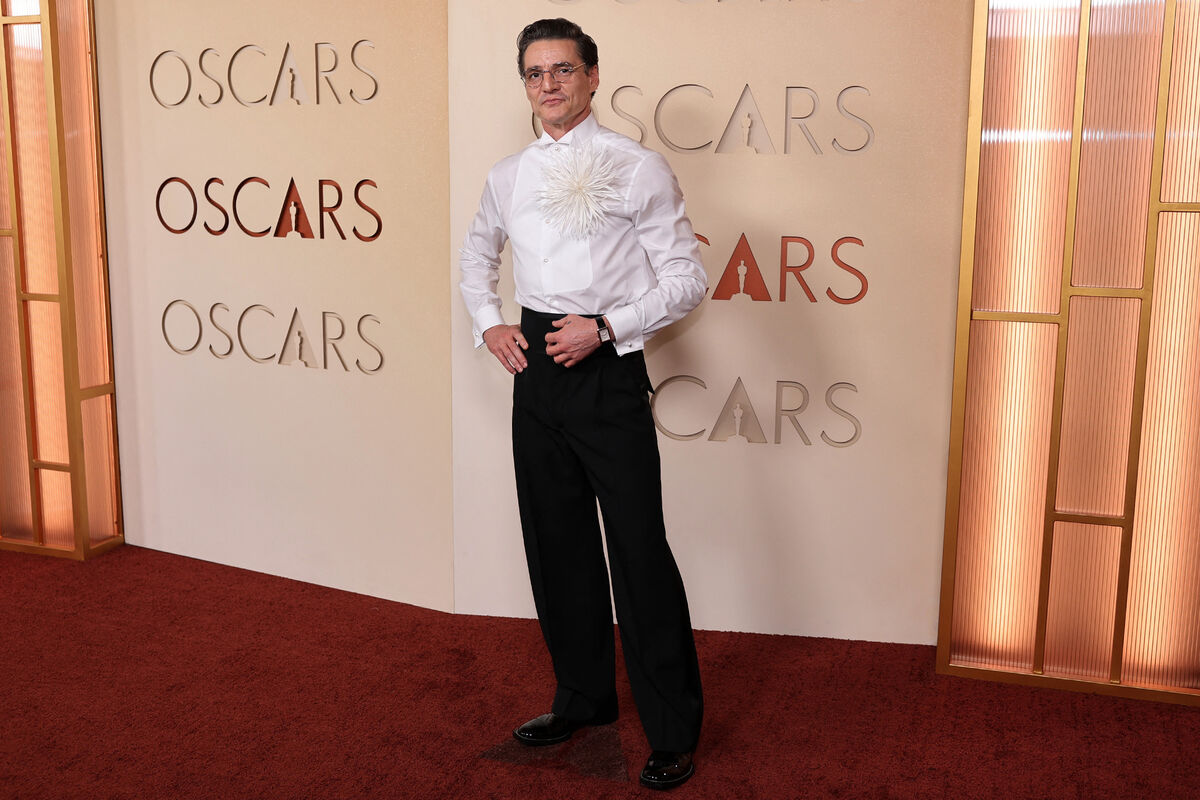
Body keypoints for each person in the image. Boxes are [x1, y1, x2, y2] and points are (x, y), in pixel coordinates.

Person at [458, 17, 706, 791]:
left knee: (638, 551)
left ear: (593, 76)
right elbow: (476, 257)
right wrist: (489, 323)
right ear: (525, 84)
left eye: (563, 69)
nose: (549, 84)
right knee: (555, 543)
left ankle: (672, 730)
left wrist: (606, 328)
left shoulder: (639, 167)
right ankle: (583, 698)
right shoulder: (507, 175)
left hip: (608, 368)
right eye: (535, 73)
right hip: (537, 367)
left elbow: (687, 279)